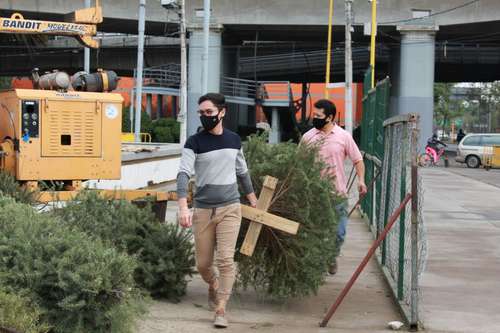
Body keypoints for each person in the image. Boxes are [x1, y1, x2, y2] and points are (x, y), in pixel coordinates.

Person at [177, 93, 258, 329]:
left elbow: (242, 171)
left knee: (225, 259)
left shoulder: (234, 140)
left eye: (209, 112)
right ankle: (212, 284)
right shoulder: (194, 142)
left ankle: (221, 307)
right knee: (203, 264)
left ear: (222, 113)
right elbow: (183, 173)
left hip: (230, 208)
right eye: (201, 113)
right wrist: (183, 205)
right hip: (203, 210)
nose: (204, 117)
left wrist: (252, 198)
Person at [301, 99, 367, 275]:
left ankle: (331, 256)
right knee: (315, 232)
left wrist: (361, 180)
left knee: (339, 232)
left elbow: (358, 160)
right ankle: (314, 265)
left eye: (318, 116)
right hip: (314, 195)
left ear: (329, 117)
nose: (314, 118)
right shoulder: (308, 137)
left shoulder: (344, 136)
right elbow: (298, 163)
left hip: (337, 194)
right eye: (314, 114)